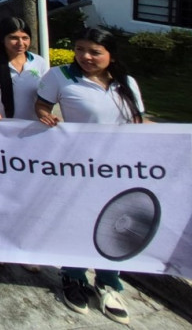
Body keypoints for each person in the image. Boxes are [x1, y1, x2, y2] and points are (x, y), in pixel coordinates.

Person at [36, 27, 143, 324]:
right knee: (78, 220)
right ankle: (73, 276)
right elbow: (42, 103)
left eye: (95, 52)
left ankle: (108, 283)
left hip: (119, 168)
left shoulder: (127, 83)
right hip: (77, 165)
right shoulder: (60, 76)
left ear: (111, 55)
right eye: (80, 49)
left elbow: (136, 120)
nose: (85, 56)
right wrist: (44, 114)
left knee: (116, 226)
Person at [0, 17, 48, 120]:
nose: (20, 43)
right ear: (2, 39)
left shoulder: (39, 62)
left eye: (25, 38)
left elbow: (47, 96)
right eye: (14, 38)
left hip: (31, 128)